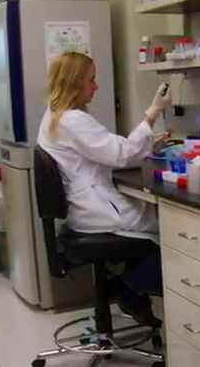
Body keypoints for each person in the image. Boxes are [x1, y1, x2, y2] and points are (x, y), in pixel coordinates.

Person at [37, 52, 171, 326]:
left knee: (155, 229)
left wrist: (148, 146)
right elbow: (120, 153)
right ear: (75, 82)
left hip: (83, 209)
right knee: (172, 233)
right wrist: (153, 112)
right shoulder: (73, 120)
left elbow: (106, 152)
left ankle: (131, 289)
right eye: (91, 80)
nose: (96, 86)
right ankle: (127, 287)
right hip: (95, 211)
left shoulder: (53, 116)